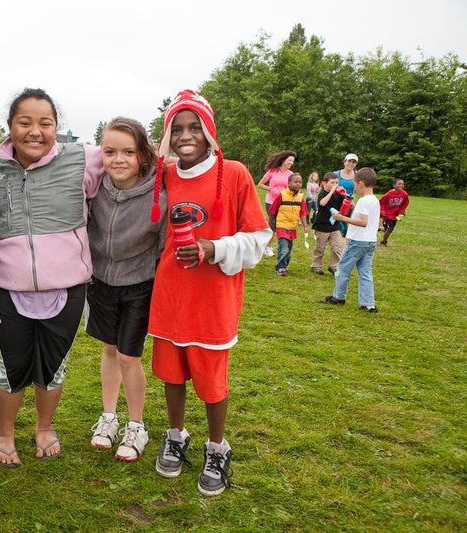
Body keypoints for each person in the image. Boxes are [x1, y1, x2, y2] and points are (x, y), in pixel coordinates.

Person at [147, 91, 271, 496]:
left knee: (212, 382)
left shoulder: (233, 173)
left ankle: (217, 447)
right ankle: (176, 434)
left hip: (213, 300)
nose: (186, 135)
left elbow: (259, 237)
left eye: (194, 127)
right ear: (167, 135)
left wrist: (213, 248)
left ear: (209, 131)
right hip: (170, 295)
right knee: (171, 374)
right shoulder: (162, 174)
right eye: (177, 128)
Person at [0, 88, 103, 466]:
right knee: (11, 367)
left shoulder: (82, 160)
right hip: (10, 289)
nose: (35, 132)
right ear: (9, 127)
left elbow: (134, 155)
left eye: (45, 123)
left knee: (53, 367)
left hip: (67, 289)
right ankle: (4, 433)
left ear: (57, 127)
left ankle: (44, 427)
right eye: (25, 122)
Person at [86, 117, 166, 462]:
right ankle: (108, 417)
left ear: (143, 155)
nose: (118, 159)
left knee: (129, 357)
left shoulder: (158, 195)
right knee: (108, 351)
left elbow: (164, 249)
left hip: (138, 287)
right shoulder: (93, 188)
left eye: (128, 152)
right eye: (110, 151)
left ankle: (137, 424)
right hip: (101, 283)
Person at [322, 168, 379, 312]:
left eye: (354, 183)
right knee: (365, 272)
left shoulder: (364, 201)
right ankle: (368, 304)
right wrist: (353, 208)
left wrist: (341, 218)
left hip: (357, 241)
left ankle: (338, 297)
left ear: (360, 183)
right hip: (370, 242)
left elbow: (363, 222)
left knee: (342, 269)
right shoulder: (374, 200)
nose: (354, 187)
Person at [257, 150, 297, 257]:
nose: (291, 163)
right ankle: (268, 247)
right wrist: (271, 189)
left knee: (279, 225)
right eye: (289, 160)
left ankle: (266, 244)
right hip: (270, 202)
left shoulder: (291, 175)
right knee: (273, 225)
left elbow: (293, 190)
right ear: (284, 160)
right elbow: (260, 185)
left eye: (293, 161)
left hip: (284, 203)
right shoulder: (273, 171)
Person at [268, 173, 309, 276]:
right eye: (295, 182)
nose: (298, 184)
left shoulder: (301, 197)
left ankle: (284, 265)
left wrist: (305, 226)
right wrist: (271, 223)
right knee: (283, 247)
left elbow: (303, 212)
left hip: (293, 227)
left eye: (300, 182)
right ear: (289, 183)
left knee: (289, 249)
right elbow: (273, 210)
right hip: (282, 225)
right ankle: (280, 267)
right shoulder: (282, 195)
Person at [310, 172, 347, 275]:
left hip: (335, 226)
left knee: (337, 246)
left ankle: (333, 266)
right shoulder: (322, 193)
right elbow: (322, 203)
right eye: (332, 182)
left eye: (337, 182)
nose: (335, 185)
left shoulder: (339, 194)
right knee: (320, 248)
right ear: (324, 183)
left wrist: (345, 197)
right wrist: (331, 191)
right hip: (322, 225)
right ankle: (316, 266)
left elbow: (344, 208)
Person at [379, 178, 409, 246]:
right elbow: (381, 203)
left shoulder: (404, 194)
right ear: (394, 185)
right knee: (390, 228)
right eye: (399, 184)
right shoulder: (389, 194)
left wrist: (402, 213)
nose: (401, 185)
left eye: (402, 184)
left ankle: (380, 229)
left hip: (396, 215)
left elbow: (404, 204)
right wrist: (382, 211)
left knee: (389, 229)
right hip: (387, 215)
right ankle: (384, 242)